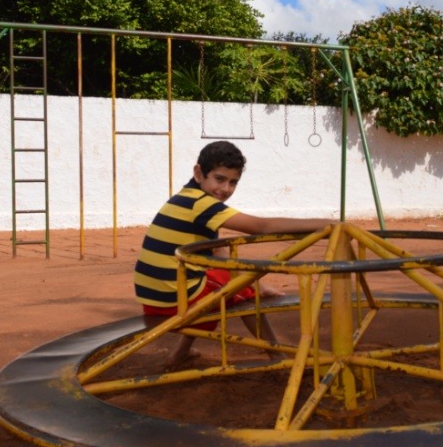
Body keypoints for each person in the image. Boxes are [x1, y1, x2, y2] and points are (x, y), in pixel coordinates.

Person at [134, 140, 334, 370]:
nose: (226, 189)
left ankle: (180, 353)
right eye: (220, 179)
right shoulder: (201, 204)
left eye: (233, 182)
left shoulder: (186, 198)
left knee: (223, 285)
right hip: (174, 300)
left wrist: (258, 285)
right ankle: (277, 356)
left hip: (155, 299)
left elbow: (218, 252)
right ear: (199, 173)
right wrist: (327, 223)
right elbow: (261, 226)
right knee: (236, 288)